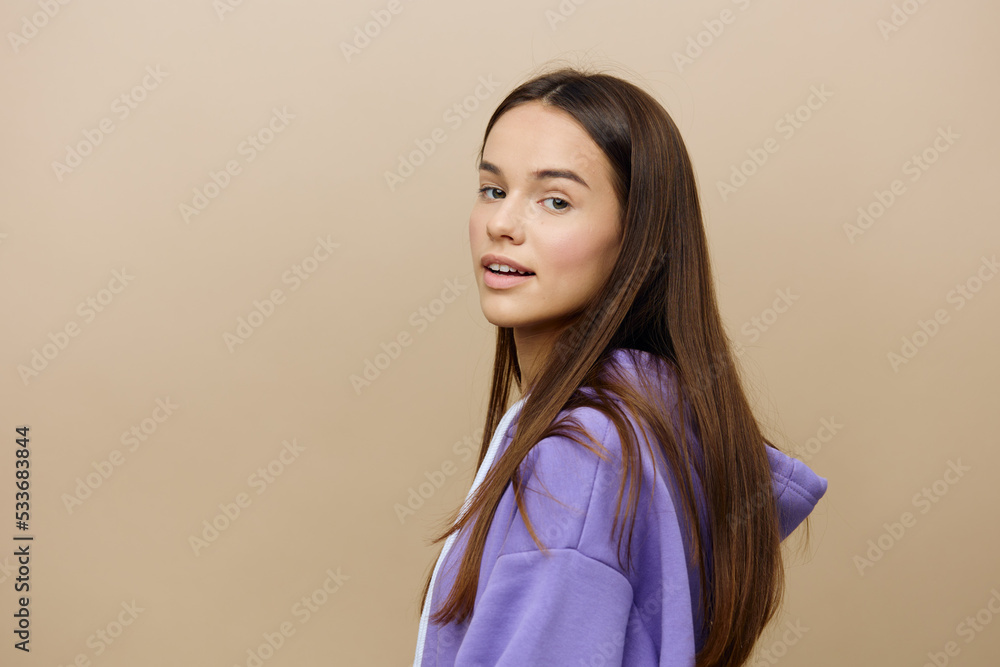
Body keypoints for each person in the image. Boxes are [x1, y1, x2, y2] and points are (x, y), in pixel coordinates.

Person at [411, 64, 828, 667]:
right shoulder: (651, 425)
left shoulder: (583, 456)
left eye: (555, 201)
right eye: (493, 189)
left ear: (637, 238)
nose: (501, 224)